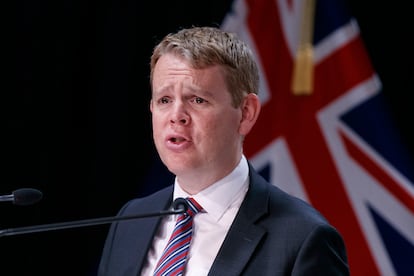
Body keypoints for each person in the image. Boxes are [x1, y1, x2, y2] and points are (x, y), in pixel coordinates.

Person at [98, 26, 349, 276]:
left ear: (246, 113)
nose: (176, 116)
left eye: (197, 100)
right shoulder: (131, 219)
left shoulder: (303, 239)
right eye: (165, 100)